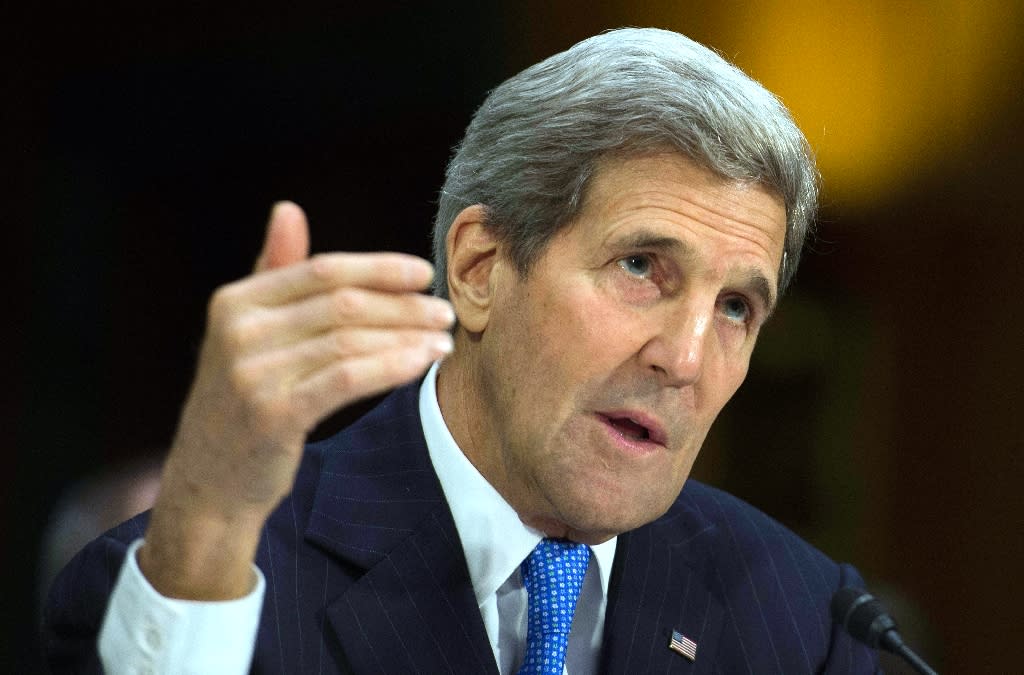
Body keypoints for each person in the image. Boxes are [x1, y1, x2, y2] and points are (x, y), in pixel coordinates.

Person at [43, 28, 880, 673]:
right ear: (480, 267)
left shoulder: (807, 620)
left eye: (736, 306)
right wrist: (214, 517)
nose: (687, 358)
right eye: (640, 266)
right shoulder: (200, 580)